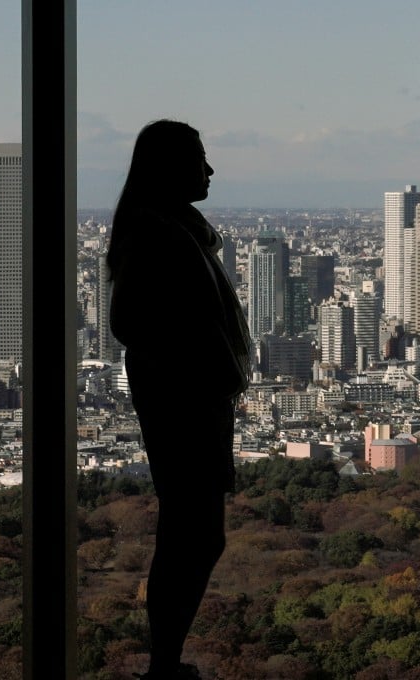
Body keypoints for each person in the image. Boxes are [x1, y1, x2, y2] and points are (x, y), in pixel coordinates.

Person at [107, 120, 251, 680]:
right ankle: (163, 662)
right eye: (199, 159)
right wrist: (191, 361)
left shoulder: (171, 229)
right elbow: (130, 321)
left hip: (187, 398)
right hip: (181, 403)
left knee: (193, 534)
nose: (209, 171)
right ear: (168, 168)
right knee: (192, 534)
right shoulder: (159, 233)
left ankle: (165, 659)